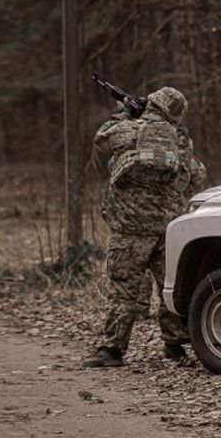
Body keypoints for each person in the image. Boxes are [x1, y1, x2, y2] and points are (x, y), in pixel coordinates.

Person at [83, 87, 206, 368]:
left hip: (129, 227)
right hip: (167, 227)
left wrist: (125, 112)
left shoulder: (129, 130)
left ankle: (112, 351)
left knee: (123, 288)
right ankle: (175, 346)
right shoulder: (179, 139)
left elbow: (101, 138)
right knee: (169, 287)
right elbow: (197, 175)